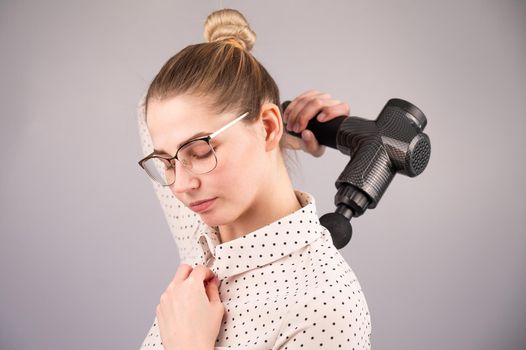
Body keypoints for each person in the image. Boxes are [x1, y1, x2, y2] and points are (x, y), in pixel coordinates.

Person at [136, 8, 371, 350]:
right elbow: (154, 111)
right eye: (166, 163)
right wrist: (287, 130)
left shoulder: (325, 307)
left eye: (200, 151)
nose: (182, 186)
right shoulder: (203, 233)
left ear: (268, 126)